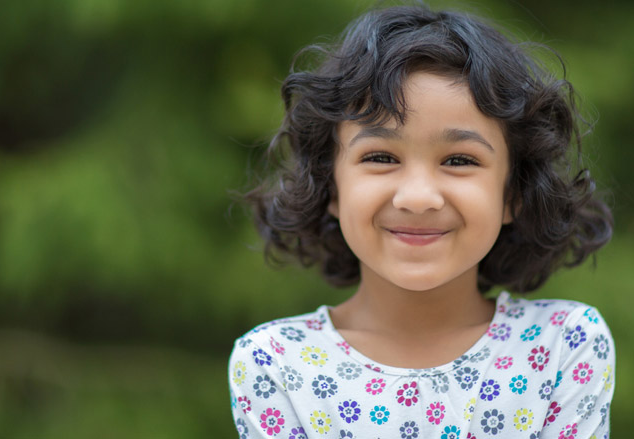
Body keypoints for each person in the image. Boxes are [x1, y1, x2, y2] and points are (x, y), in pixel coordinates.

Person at [228, 4, 615, 439]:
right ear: (330, 186)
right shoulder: (276, 363)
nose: (417, 198)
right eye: (380, 157)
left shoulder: (562, 347)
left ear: (514, 193)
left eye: (459, 160)